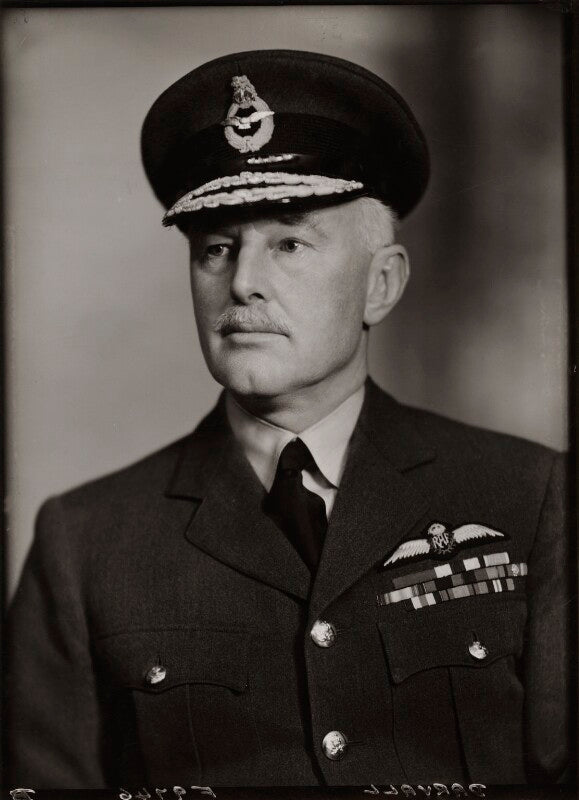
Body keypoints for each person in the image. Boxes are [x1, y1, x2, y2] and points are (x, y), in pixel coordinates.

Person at [7, 49, 571, 789]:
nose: (242, 283)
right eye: (216, 249)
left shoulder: (529, 497)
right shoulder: (85, 544)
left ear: (380, 285)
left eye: (289, 243)